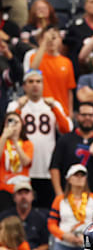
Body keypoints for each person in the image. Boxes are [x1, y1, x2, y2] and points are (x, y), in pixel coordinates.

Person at [8, 71, 71, 206]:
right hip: (21, 167)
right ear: (24, 86)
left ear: (43, 84)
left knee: (46, 208)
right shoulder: (15, 105)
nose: (34, 85)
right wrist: (19, 108)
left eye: (38, 81)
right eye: (30, 82)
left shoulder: (54, 105)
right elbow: (9, 129)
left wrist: (54, 108)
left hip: (46, 166)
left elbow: (66, 130)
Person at [48, 164, 93, 250]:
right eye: (76, 175)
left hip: (87, 244)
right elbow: (51, 224)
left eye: (82, 175)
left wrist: (87, 236)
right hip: (63, 244)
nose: (79, 178)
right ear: (69, 179)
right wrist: (63, 235)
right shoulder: (60, 200)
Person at [25, 28, 76, 114]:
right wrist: (44, 43)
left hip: (61, 110)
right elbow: (32, 71)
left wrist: (69, 112)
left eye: (54, 38)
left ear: (60, 40)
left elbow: (69, 90)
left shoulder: (67, 62)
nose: (51, 41)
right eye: (47, 38)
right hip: (40, 110)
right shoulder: (35, 57)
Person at [0, 177, 48, 250]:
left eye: (26, 193)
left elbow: (46, 244)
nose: (23, 197)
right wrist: (2, 249)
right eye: (20, 193)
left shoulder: (41, 217)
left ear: (32, 196)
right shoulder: (4, 217)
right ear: (14, 198)